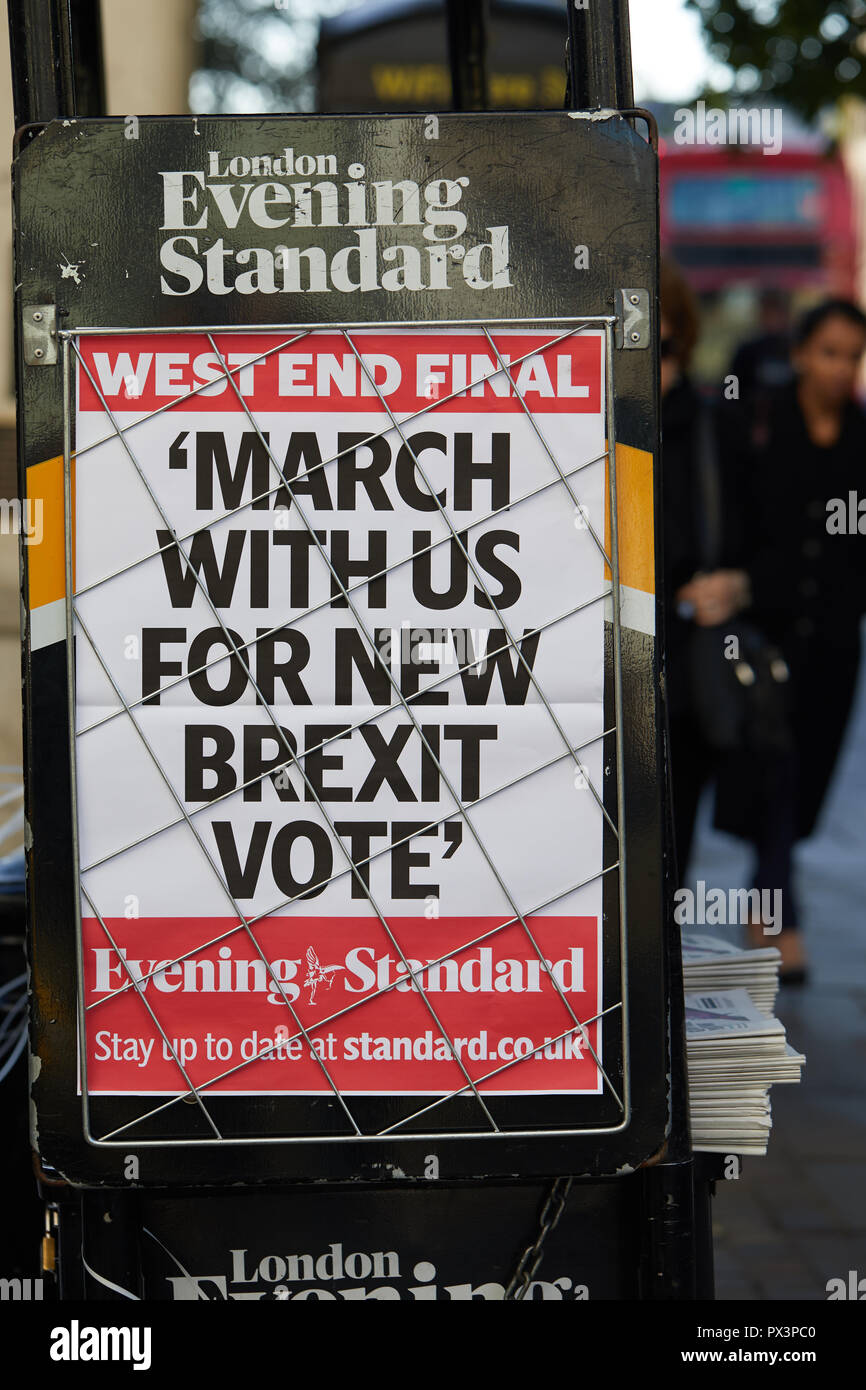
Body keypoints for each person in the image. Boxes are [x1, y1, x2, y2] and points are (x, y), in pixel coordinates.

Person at [682, 298, 866, 980]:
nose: (841, 368)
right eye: (828, 352)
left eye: (852, 355)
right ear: (799, 354)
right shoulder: (758, 426)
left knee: (809, 779)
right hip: (765, 639)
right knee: (776, 774)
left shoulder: (860, 436)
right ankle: (778, 917)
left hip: (837, 646)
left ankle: (770, 899)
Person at [660, 259, 748, 880]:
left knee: (670, 853)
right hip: (588, 675)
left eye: (659, 347)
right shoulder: (576, 425)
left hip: (685, 673)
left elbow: (765, 542)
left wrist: (738, 584)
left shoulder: (715, 428)